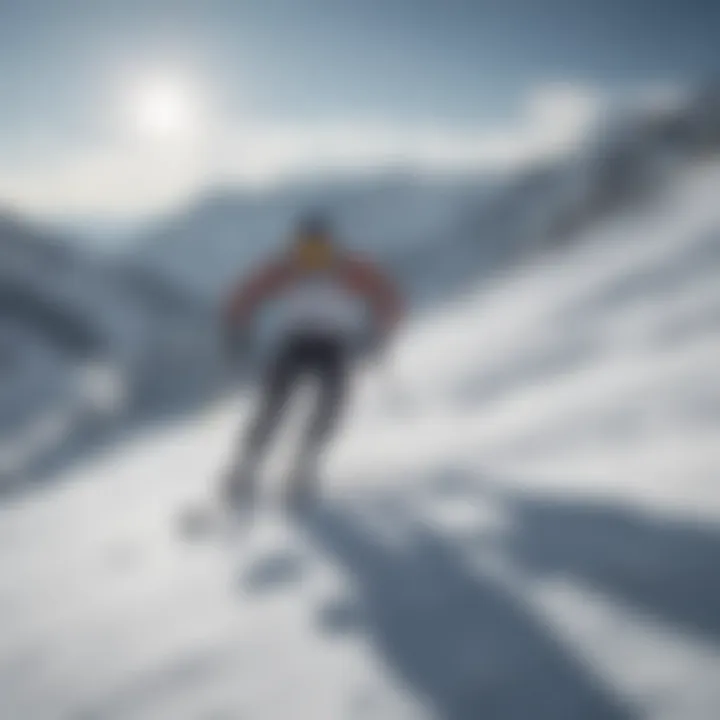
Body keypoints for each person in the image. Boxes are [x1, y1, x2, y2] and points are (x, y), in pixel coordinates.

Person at [220, 213, 403, 510]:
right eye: (308, 247)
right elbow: (385, 295)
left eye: (316, 247)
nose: (313, 254)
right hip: (322, 345)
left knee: (288, 407)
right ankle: (279, 469)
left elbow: (248, 294)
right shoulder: (336, 267)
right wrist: (380, 330)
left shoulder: (308, 267)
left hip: (309, 344)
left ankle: (262, 469)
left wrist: (236, 326)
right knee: (308, 408)